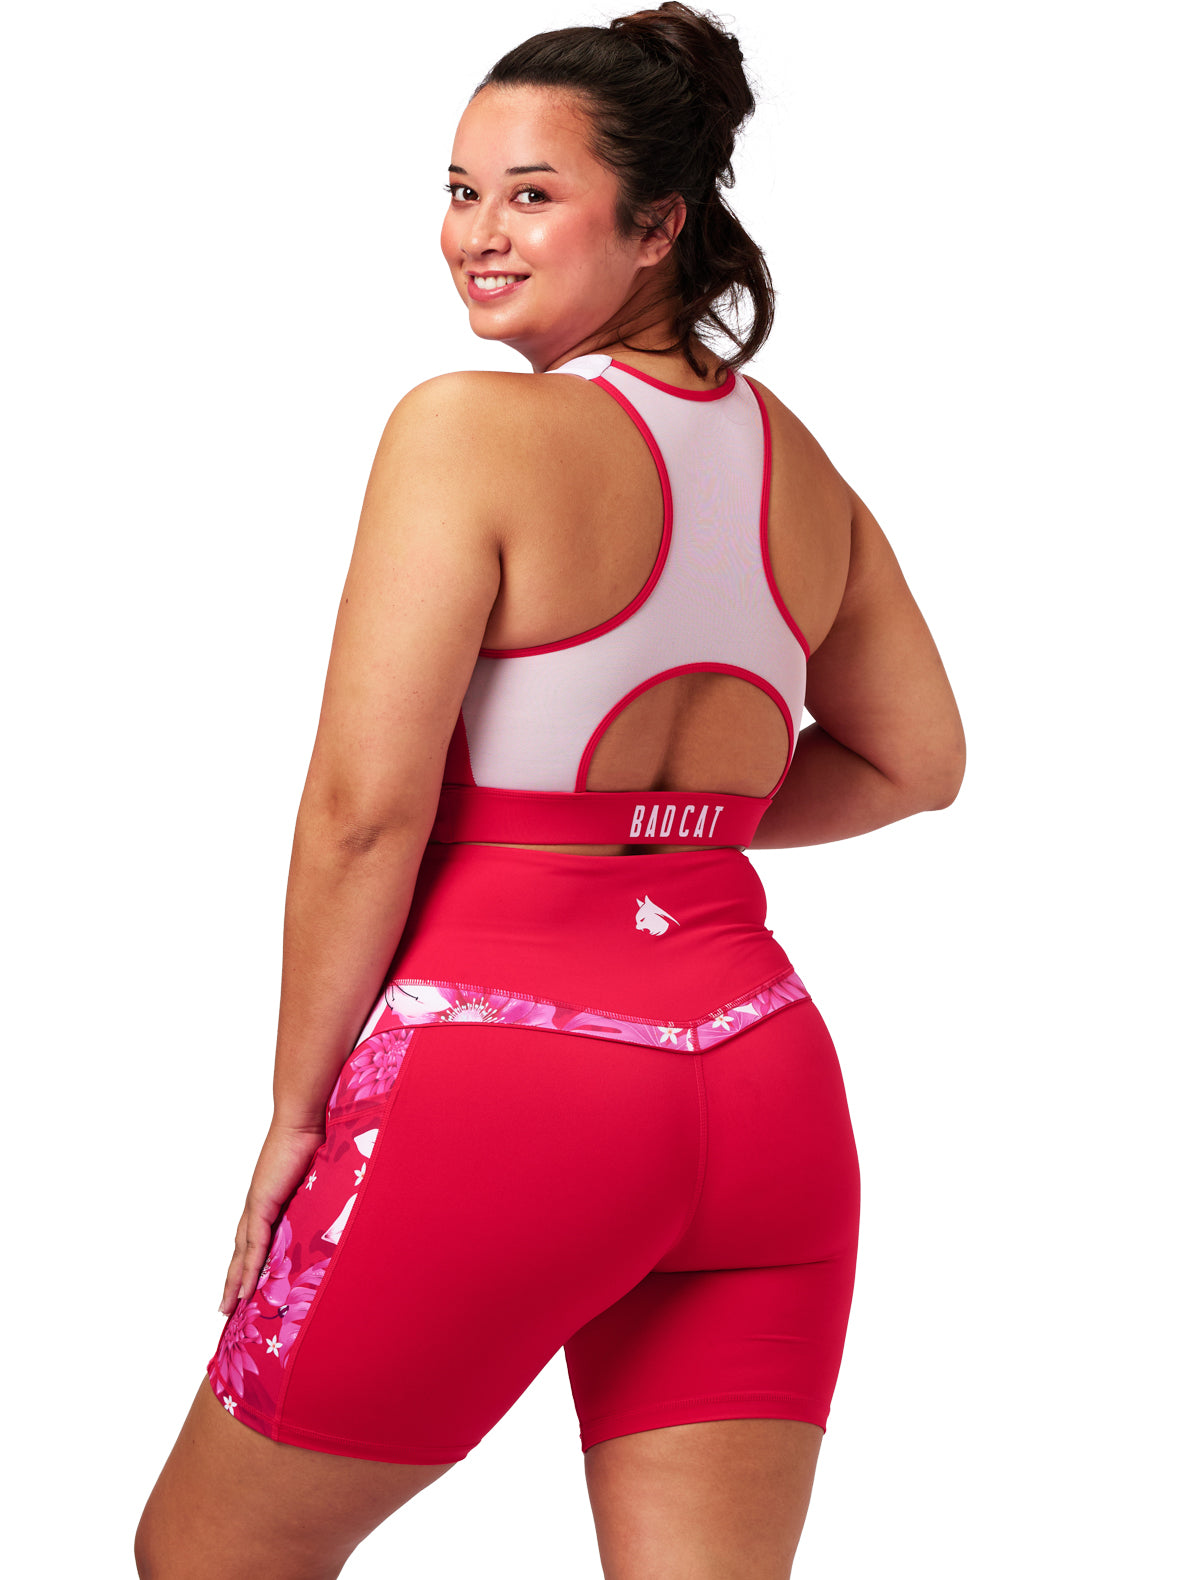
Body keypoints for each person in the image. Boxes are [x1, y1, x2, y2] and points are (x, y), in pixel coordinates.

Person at [135, 5, 965, 1576]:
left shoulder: (468, 431)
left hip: (502, 1078)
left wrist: (297, 1115)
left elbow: (363, 814)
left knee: (206, 1558)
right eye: (461, 191)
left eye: (531, 194)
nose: (478, 234)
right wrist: (673, 827)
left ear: (659, 226)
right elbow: (917, 760)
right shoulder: (798, 467)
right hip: (763, 1088)